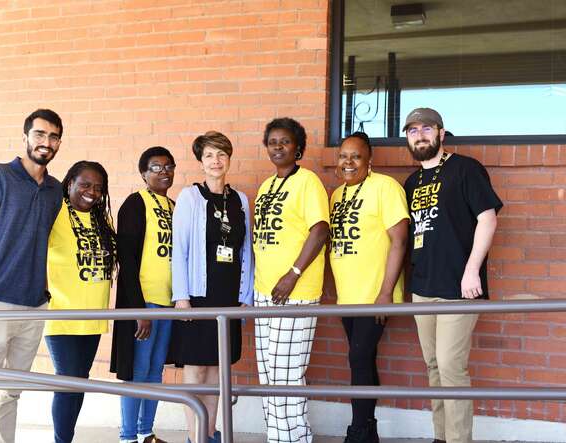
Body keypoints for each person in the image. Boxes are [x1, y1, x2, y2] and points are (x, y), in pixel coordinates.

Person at [0, 109, 64, 443]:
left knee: (13, 392)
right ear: (25, 137)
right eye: (39, 134)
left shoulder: (55, 190)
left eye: (53, 137)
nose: (45, 142)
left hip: (34, 306)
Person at [402, 108, 502, 443]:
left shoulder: (465, 169)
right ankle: (441, 437)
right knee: (433, 366)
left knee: (450, 366)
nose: (420, 135)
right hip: (423, 287)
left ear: (442, 134)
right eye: (413, 130)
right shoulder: (411, 182)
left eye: (426, 128)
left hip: (460, 288)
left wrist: (472, 270)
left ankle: (459, 440)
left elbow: (488, 219)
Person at [169, 131, 254, 443]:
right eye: (209, 155)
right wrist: (181, 297)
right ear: (200, 161)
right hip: (197, 296)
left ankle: (209, 433)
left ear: (229, 158)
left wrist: (245, 296)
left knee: (219, 368)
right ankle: (194, 437)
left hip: (228, 296)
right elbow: (180, 250)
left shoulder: (240, 200)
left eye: (221, 154)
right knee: (195, 369)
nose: (215, 161)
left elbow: (246, 250)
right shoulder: (190, 198)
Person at [325, 132, 409, 443]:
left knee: (358, 357)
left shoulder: (385, 187)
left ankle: (358, 431)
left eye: (356, 156)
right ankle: (368, 428)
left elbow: (400, 241)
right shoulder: (338, 195)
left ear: (369, 160)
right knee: (362, 358)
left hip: (375, 295)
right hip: (349, 297)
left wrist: (386, 294)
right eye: (343, 156)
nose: (348, 162)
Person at [253, 117, 329, 443]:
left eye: (285, 141)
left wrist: (293, 273)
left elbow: (320, 229)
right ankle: (290, 437)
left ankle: (287, 440)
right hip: (263, 292)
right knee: (270, 376)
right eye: (273, 142)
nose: (278, 147)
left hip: (295, 292)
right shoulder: (266, 185)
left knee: (286, 375)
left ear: (298, 147)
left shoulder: (308, 181)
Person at [44, 161, 117, 443]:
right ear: (70, 183)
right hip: (62, 313)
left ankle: (67, 437)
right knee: (68, 381)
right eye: (85, 185)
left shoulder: (102, 220)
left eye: (98, 188)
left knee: (79, 381)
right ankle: (61, 440)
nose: (92, 192)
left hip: (94, 316)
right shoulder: (56, 212)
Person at [110, 147, 176, 443]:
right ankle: (127, 436)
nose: (163, 172)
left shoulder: (174, 206)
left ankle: (146, 431)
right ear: (144, 173)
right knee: (137, 371)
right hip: (145, 301)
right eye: (156, 167)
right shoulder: (136, 203)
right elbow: (127, 258)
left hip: (169, 302)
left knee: (155, 371)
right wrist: (138, 309)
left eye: (168, 166)